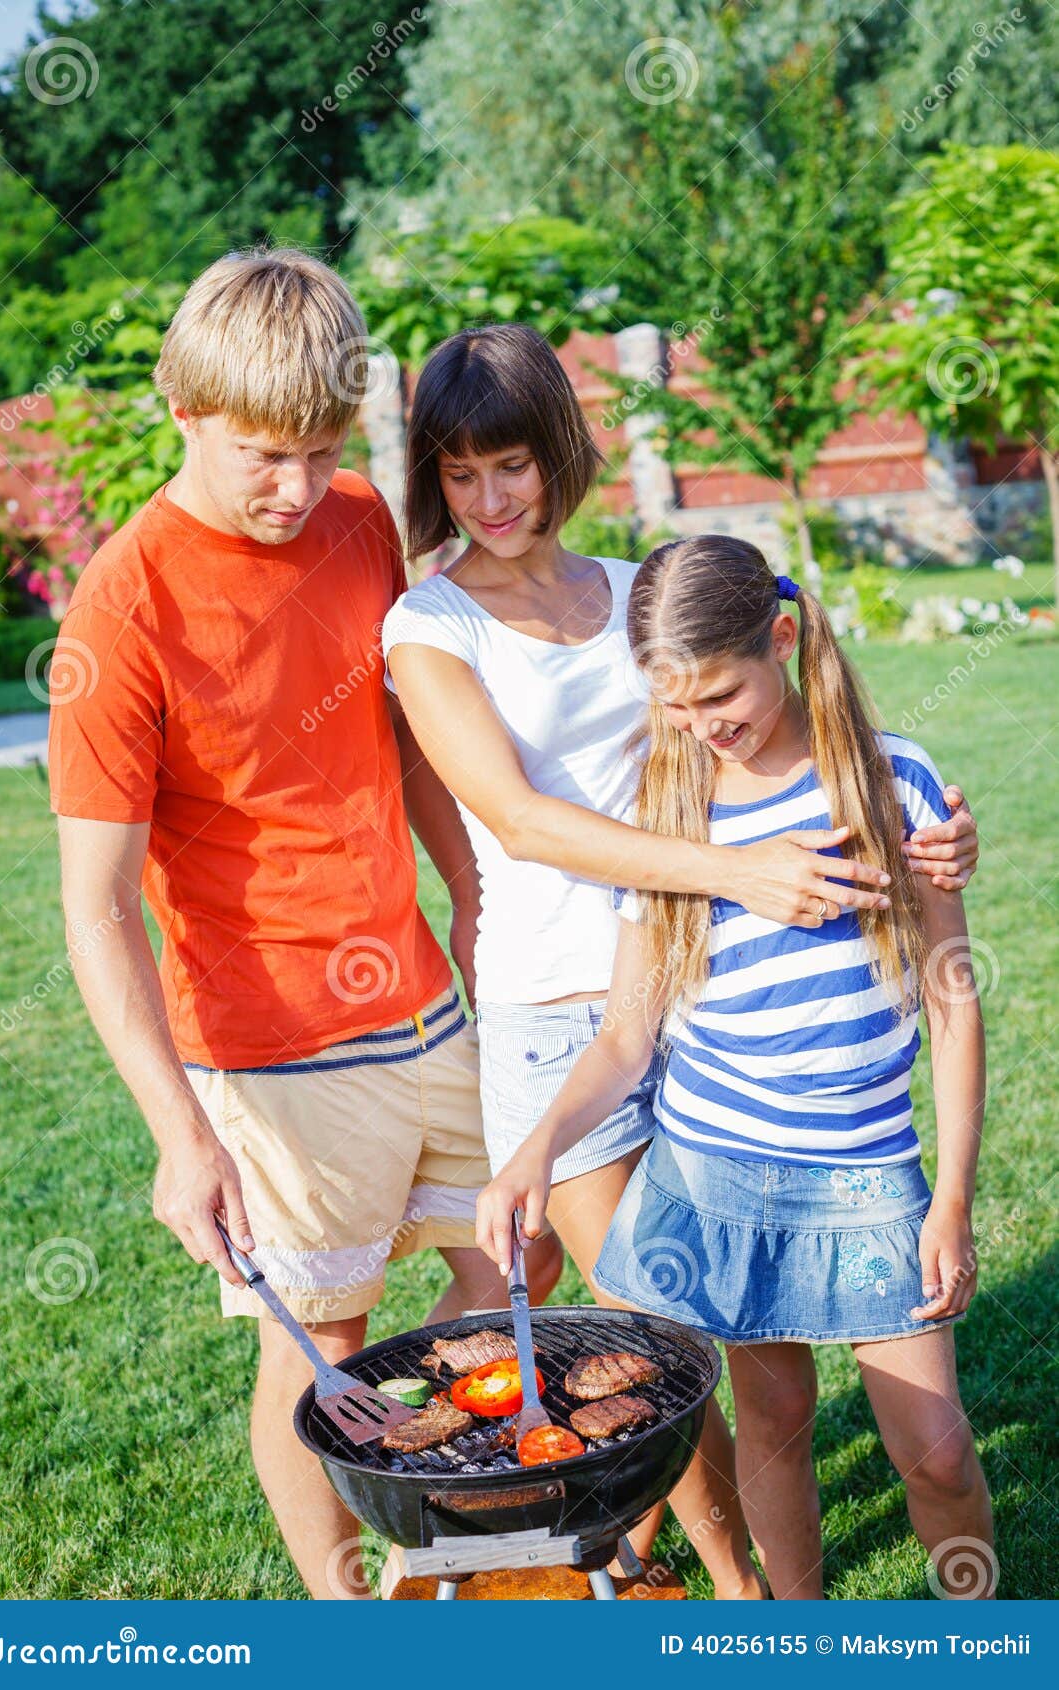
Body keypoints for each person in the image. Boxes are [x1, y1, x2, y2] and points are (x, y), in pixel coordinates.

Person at [382, 325, 980, 1594]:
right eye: (459, 473)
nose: (490, 500)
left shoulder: (634, 589)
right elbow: (525, 820)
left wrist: (917, 814)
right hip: (574, 1001)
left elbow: (783, 646)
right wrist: (737, 872)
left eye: (514, 466)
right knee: (663, 1347)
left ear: (562, 453)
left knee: (732, 1342)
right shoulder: (430, 622)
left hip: (714, 998)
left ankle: (736, 1575)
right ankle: (730, 1587)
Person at [48, 249, 531, 1601]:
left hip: (424, 996)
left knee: (524, 1250)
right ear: (182, 407)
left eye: (322, 453)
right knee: (318, 1344)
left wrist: (474, 896)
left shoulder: (364, 517)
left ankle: (450, 1530)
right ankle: (350, 1614)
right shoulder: (123, 606)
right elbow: (96, 908)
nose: (297, 490)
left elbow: (407, 734)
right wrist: (178, 1133)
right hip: (269, 1048)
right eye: (265, 456)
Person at [475, 535, 993, 1600]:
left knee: (936, 1450)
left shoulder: (896, 782)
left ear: (785, 640)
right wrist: (535, 1149)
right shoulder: (668, 821)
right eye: (674, 705)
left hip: (869, 1177)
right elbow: (627, 1036)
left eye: (719, 694)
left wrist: (950, 1200)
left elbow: (951, 1000)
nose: (703, 727)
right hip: (723, 1173)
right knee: (772, 1424)